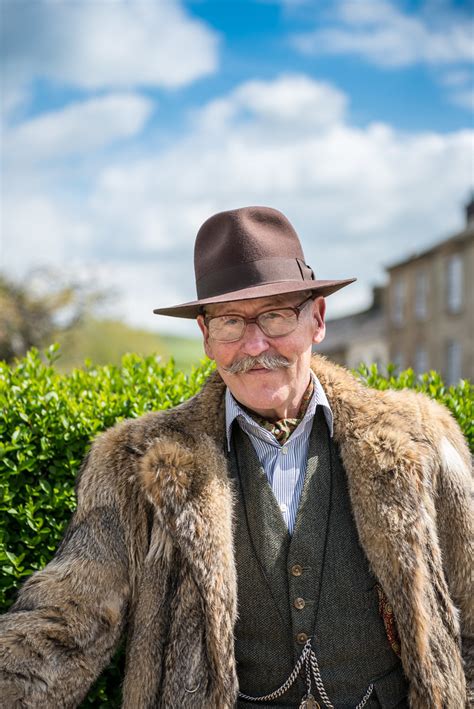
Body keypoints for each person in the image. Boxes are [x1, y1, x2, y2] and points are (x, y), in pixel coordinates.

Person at [0, 206, 472, 709]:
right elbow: (67, 616)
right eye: (230, 321)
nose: (254, 344)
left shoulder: (419, 438)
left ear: (316, 319)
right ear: (206, 337)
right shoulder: (135, 461)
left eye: (275, 314)